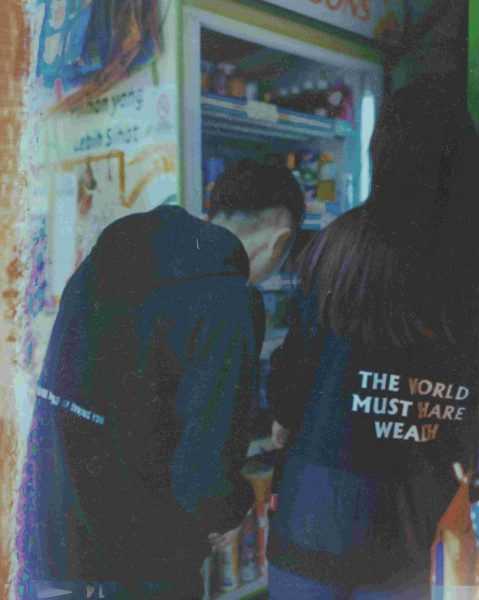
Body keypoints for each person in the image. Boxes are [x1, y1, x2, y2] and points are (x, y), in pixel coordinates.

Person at [19, 159, 304, 599]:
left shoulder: (117, 247)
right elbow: (204, 471)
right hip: (146, 548)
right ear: (279, 240)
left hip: (52, 519)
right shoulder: (229, 298)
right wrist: (231, 509)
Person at [266, 82, 479, 599]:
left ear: (379, 149)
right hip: (415, 524)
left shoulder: (338, 241)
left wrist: (286, 419)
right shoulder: (474, 255)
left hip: (313, 512)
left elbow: (293, 372)